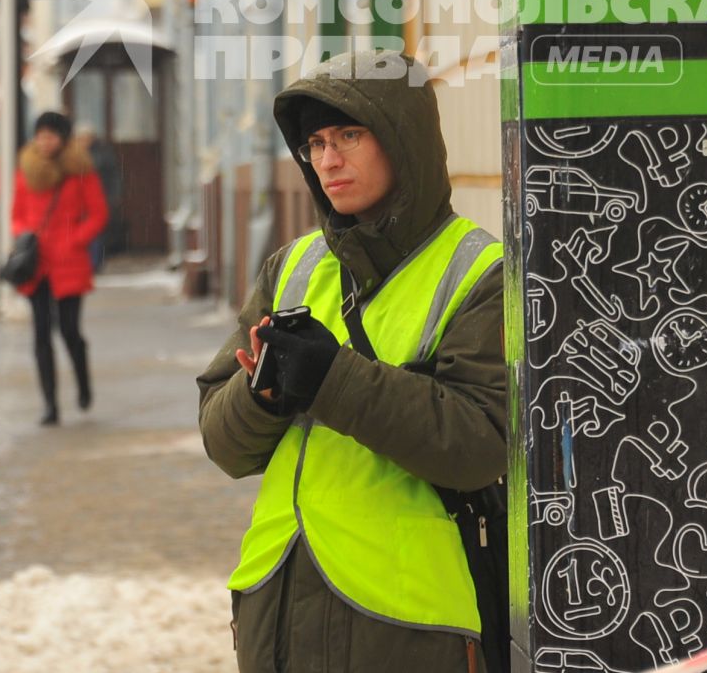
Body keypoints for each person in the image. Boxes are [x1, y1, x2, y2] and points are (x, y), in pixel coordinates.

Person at [196, 49, 507, 673]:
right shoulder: (293, 267)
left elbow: (479, 443)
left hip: (407, 621)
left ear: (403, 139)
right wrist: (262, 395)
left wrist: (330, 378)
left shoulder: (480, 271)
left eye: (349, 135)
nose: (328, 159)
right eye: (315, 142)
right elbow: (224, 445)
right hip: (276, 599)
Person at [14, 110, 110, 425]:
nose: (44, 141)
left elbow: (98, 214)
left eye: (51, 135)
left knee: (69, 331)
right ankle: (50, 405)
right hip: (36, 264)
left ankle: (83, 384)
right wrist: (22, 236)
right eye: (40, 135)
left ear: (63, 138)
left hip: (69, 262)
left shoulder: (80, 170)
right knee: (41, 334)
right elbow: (16, 213)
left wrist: (75, 240)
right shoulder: (26, 170)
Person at [75, 123, 125, 274]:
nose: (84, 141)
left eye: (86, 138)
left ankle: (95, 263)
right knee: (82, 232)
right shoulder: (72, 156)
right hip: (78, 201)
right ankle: (85, 262)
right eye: (81, 138)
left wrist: (114, 194)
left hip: (100, 198)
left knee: (97, 232)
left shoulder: (102, 153)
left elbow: (114, 174)